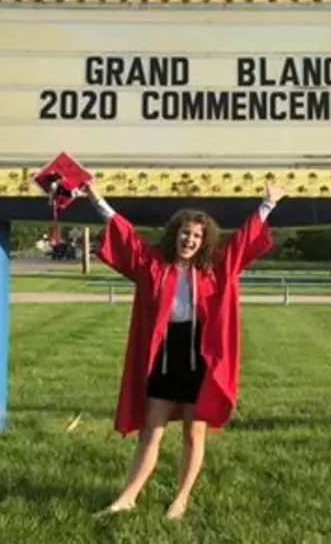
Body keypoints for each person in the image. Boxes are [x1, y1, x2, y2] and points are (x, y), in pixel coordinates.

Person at [83, 178, 285, 519]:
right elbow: (125, 235)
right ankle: (127, 498)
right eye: (184, 232)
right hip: (164, 355)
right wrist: (96, 198)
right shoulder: (153, 267)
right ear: (175, 234)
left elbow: (241, 244)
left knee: (194, 431)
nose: (189, 239)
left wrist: (268, 205)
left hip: (201, 357)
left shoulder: (214, 270)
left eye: (196, 235)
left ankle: (181, 499)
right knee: (152, 429)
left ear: (204, 241)